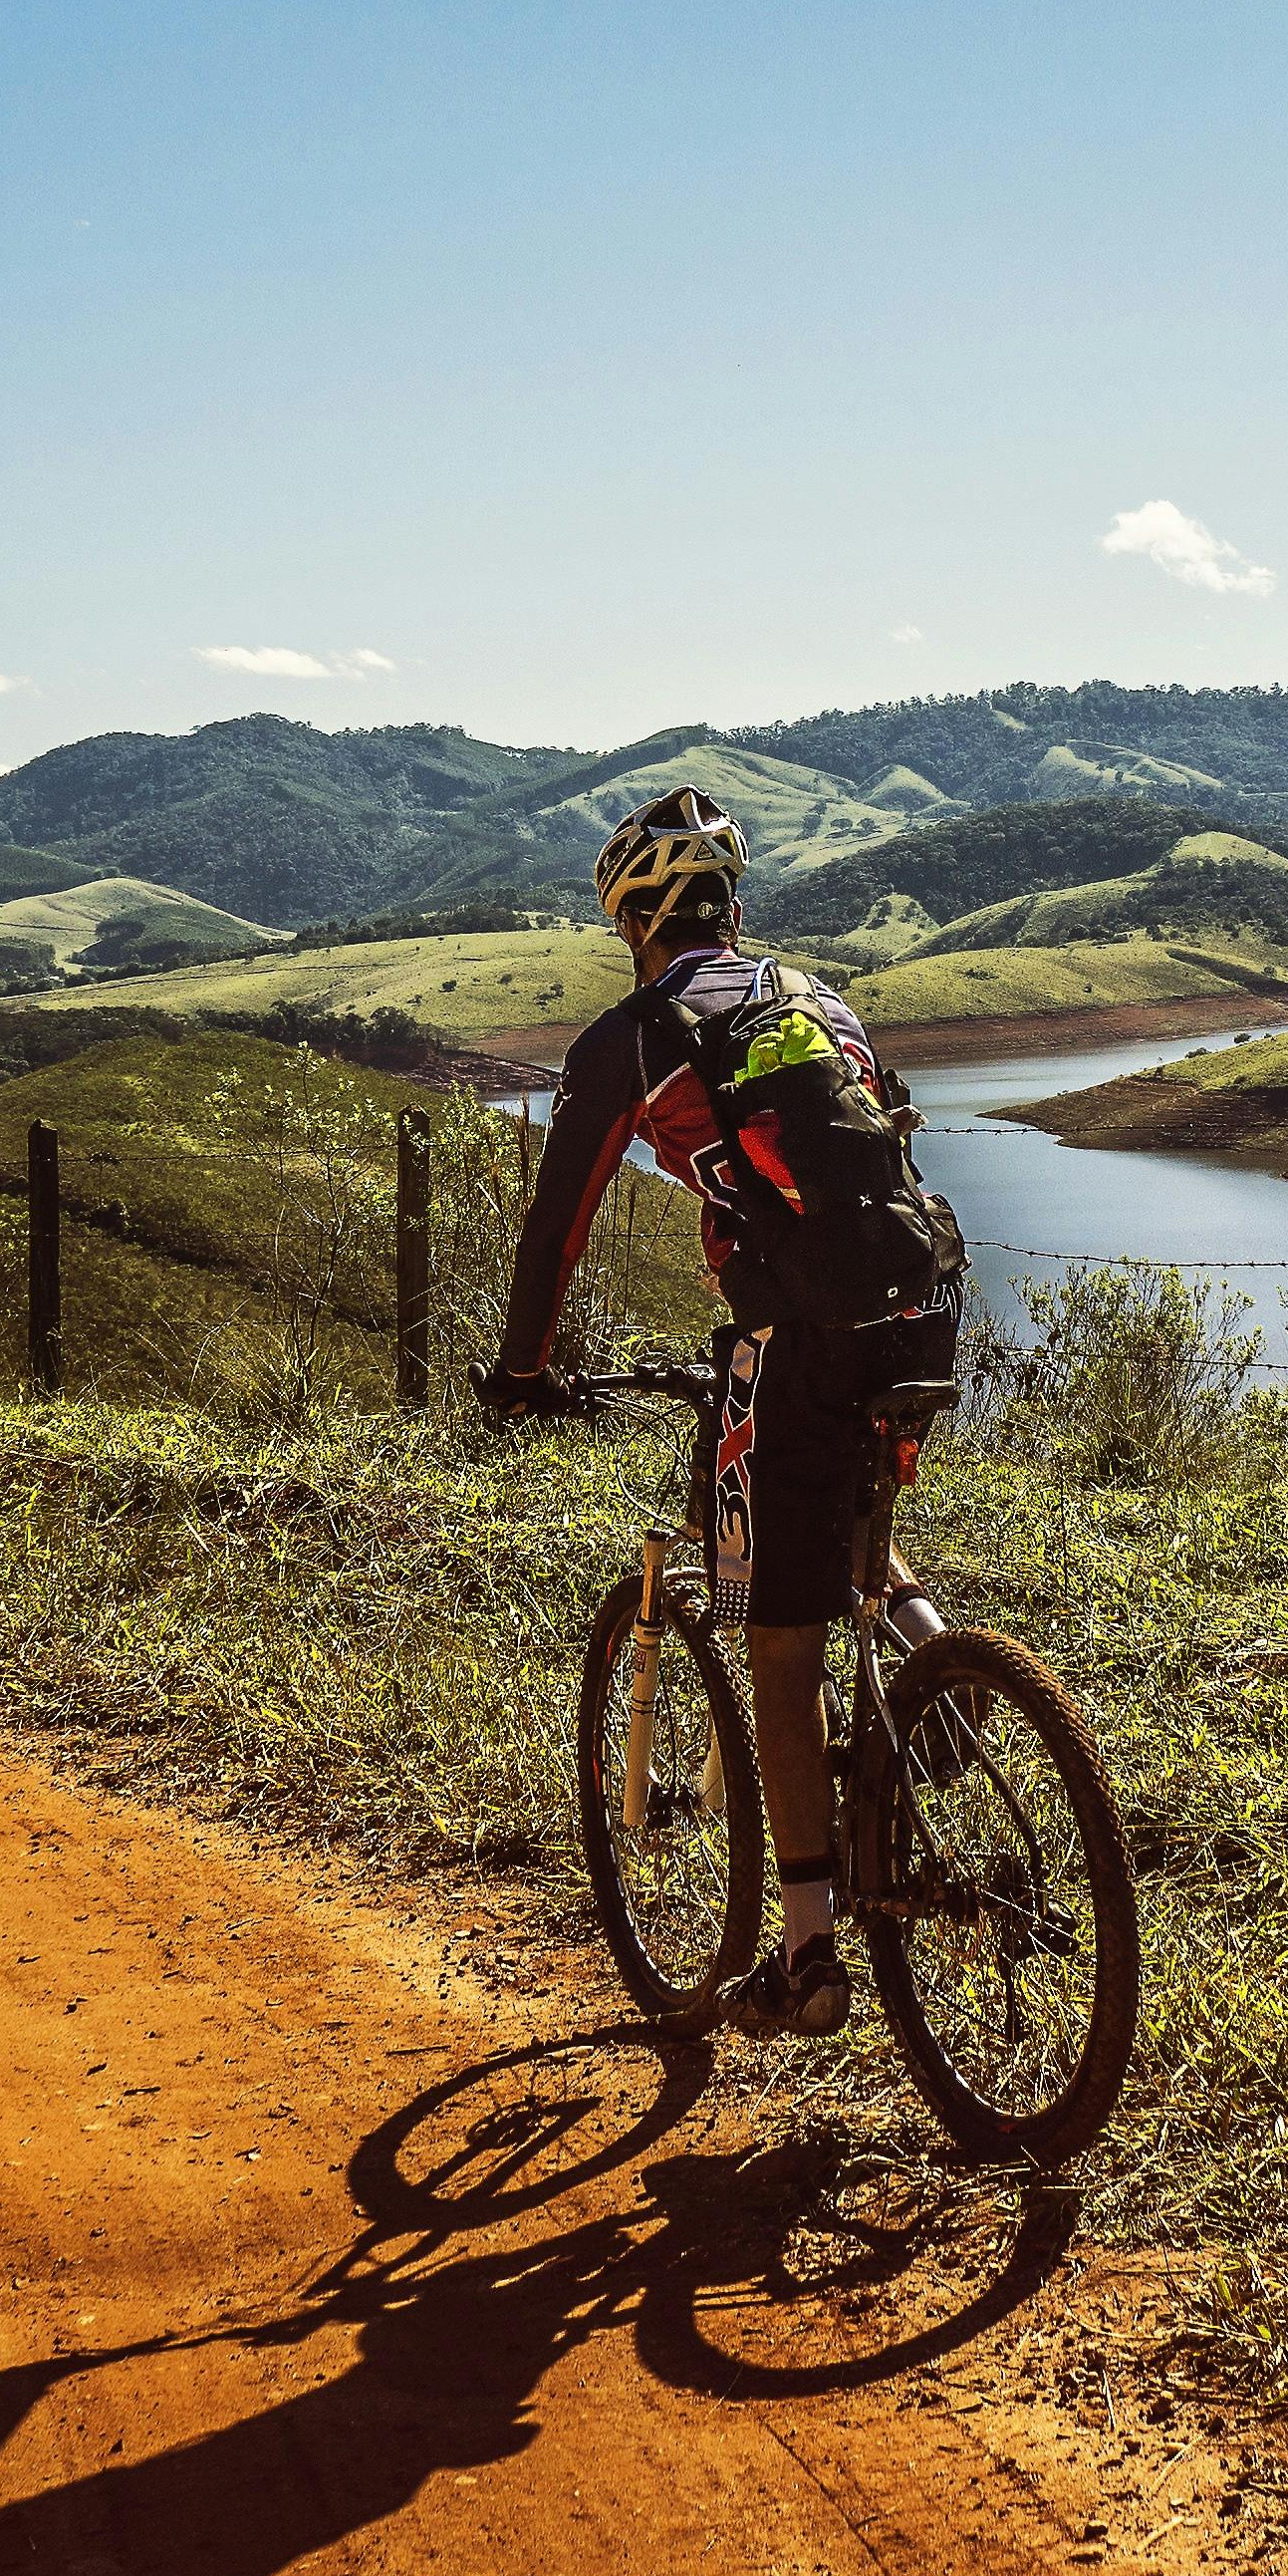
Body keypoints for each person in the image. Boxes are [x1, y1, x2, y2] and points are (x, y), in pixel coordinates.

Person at [483, 787, 959, 2040]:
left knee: (779, 1632)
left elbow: (556, 1225)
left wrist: (522, 1366)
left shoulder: (633, 1036)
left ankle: (804, 1955)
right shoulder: (817, 999)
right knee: (850, 1531)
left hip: (791, 1337)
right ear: (729, 908)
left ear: (631, 922)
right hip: (917, 1312)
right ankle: (947, 1671)